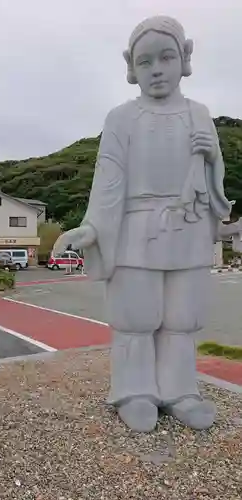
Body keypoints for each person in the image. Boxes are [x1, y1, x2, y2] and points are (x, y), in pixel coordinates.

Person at [54, 16, 232, 432]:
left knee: (180, 317)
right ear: (131, 66)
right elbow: (109, 179)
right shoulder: (121, 118)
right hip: (136, 226)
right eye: (146, 60)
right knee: (137, 316)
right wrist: (93, 227)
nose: (156, 69)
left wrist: (212, 158)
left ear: (185, 58)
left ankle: (180, 390)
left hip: (187, 225)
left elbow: (213, 184)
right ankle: (134, 390)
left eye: (166, 57)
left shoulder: (199, 114)